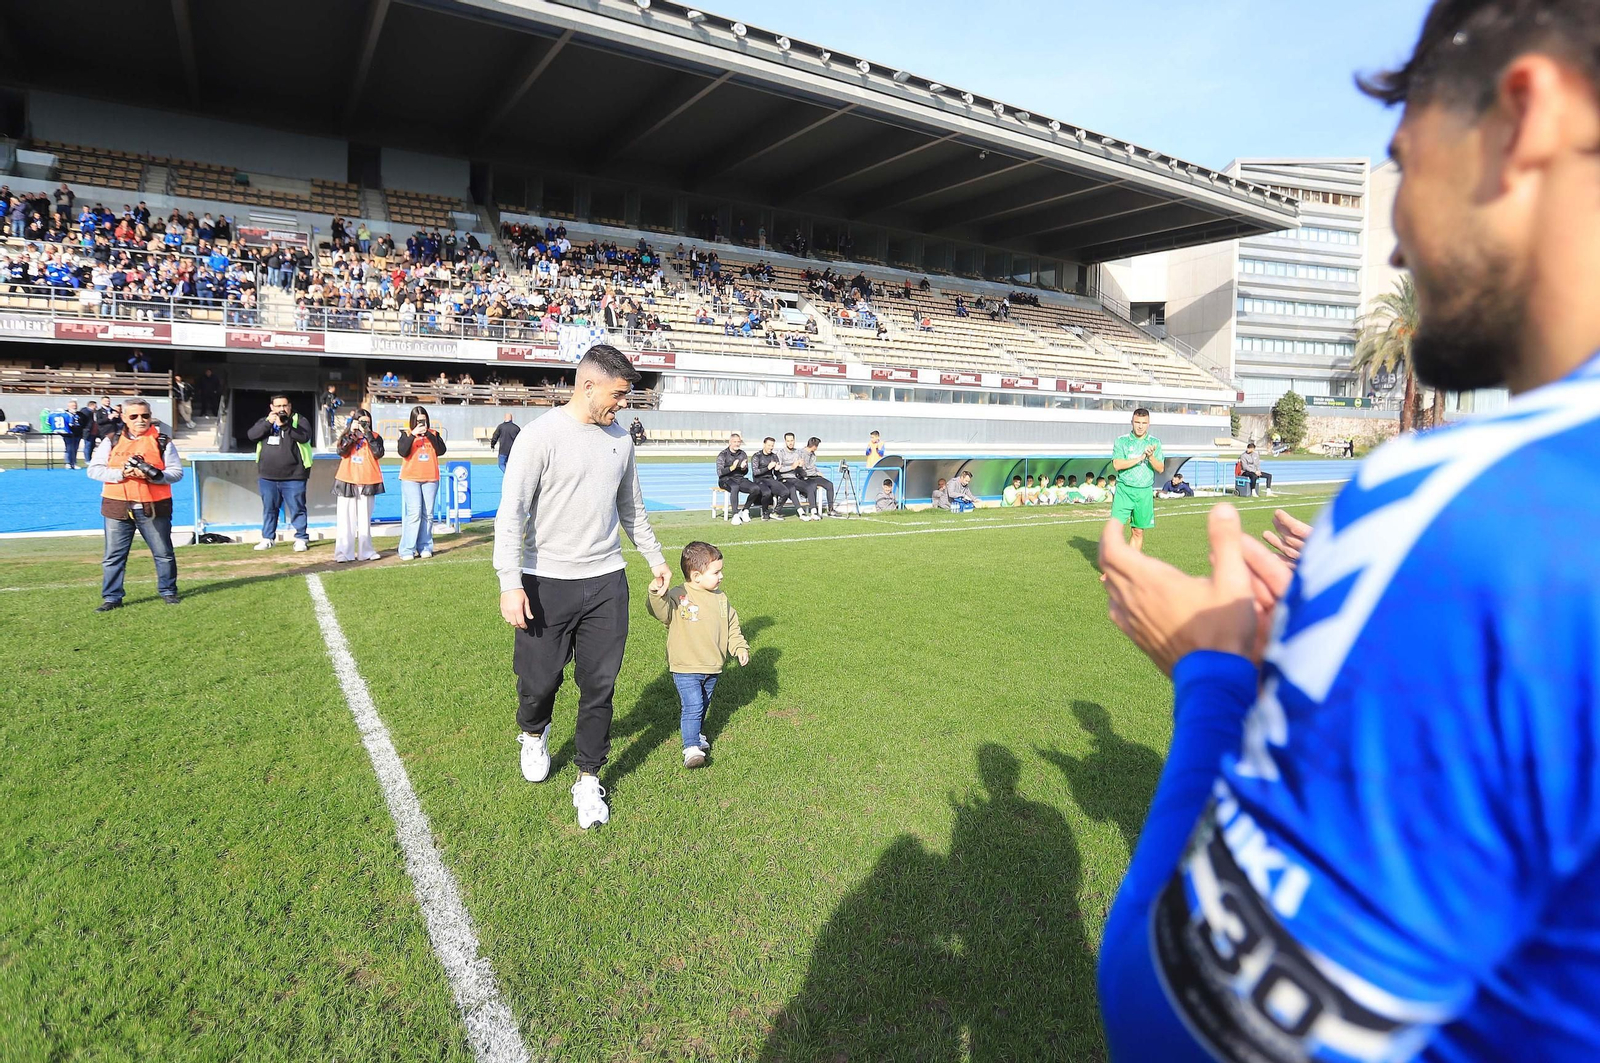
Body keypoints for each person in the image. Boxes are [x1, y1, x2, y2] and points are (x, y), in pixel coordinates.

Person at [1097, 5, 1600, 1059]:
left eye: (1403, 160)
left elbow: (1178, 1027)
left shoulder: (1470, 519)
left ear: (1521, 117)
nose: (1392, 235)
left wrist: (1215, 673)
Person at [495, 345, 671, 831]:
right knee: (538, 684)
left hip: (606, 583)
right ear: (588, 385)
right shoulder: (540, 437)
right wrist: (511, 584)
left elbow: (631, 509)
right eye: (617, 395)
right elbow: (511, 515)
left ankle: (589, 777)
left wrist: (654, 557)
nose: (622, 406)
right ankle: (534, 732)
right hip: (545, 581)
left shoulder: (621, 441)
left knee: (599, 687)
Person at [645, 541, 749, 769]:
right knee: (693, 705)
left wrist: (739, 647)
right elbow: (660, 612)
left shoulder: (721, 599)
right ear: (696, 575)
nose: (721, 576)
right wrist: (656, 593)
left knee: (703, 703)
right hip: (686, 665)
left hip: (713, 666)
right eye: (716, 572)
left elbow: (732, 625)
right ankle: (691, 747)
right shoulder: (679, 595)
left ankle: (697, 733)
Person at [86, 399, 183, 610]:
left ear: (150, 416)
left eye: (145, 416)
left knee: (163, 553)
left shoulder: (163, 441)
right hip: (117, 506)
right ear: (124, 418)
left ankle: (168, 591)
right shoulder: (111, 440)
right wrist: (122, 473)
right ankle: (112, 597)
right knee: (113, 556)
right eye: (134, 416)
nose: (140, 420)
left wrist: (155, 477)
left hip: (153, 505)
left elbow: (176, 473)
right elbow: (94, 470)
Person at [246, 395, 313, 551]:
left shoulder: (299, 420)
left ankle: (301, 538)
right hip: (268, 476)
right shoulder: (265, 421)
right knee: (269, 508)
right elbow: (252, 435)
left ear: (290, 406)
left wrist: (285, 426)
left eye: (285, 405)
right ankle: (268, 538)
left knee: (297, 507)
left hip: (294, 475)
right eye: (278, 406)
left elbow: (304, 437)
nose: (281, 409)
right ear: (272, 407)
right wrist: (268, 423)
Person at [332, 409, 384, 563]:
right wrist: (352, 435)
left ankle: (366, 551)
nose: (364, 424)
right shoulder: (348, 436)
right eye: (361, 421)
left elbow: (378, 453)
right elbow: (341, 452)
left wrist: (367, 433)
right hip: (347, 479)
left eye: (366, 422)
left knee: (364, 519)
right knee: (345, 519)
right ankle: (343, 552)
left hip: (367, 480)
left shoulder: (374, 437)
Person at [397, 406, 446, 560]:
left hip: (431, 478)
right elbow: (402, 451)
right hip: (411, 478)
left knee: (428, 514)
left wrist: (428, 435)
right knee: (414, 513)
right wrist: (413, 434)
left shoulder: (433, 434)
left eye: (423, 420)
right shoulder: (406, 434)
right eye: (418, 421)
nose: (421, 423)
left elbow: (441, 450)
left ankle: (425, 546)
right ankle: (407, 549)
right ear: (413, 421)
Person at [1110, 407, 1162, 553]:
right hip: (1124, 490)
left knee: (1138, 532)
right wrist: (1140, 458)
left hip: (1144, 492)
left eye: (1144, 423)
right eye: (1137, 422)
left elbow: (1160, 468)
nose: (1140, 426)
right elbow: (1117, 464)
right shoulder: (1122, 441)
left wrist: (1151, 457)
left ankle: (1129, 569)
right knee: (1114, 531)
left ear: (1148, 423)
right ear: (1131, 422)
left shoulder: (1155, 443)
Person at [716, 432, 767, 525]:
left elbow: (745, 472)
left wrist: (744, 468)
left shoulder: (742, 454)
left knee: (755, 489)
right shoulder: (723, 454)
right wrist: (732, 468)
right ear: (730, 442)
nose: (737, 444)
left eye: (738, 442)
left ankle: (745, 510)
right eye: (735, 442)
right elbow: (720, 473)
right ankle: (735, 515)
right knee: (734, 487)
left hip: (739, 478)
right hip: (725, 479)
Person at [752, 436, 797, 521]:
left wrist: (777, 469)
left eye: (772, 446)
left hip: (770, 479)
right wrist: (768, 468)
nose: (771, 448)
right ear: (764, 444)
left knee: (785, 492)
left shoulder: (774, 456)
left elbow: (776, 472)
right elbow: (755, 472)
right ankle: (765, 512)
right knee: (767, 493)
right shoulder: (757, 456)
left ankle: (775, 512)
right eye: (769, 445)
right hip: (759, 480)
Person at [777, 432, 818, 520]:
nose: (790, 443)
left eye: (792, 440)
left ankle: (814, 512)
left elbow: (800, 469)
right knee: (791, 489)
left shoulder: (798, 452)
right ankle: (801, 513)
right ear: (785, 442)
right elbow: (779, 469)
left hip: (794, 478)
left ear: (794, 440)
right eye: (788, 441)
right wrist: (792, 467)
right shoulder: (781, 453)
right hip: (784, 478)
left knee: (809, 487)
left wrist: (800, 466)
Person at [797, 436, 836, 516]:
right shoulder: (801, 453)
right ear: (814, 446)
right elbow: (803, 470)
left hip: (814, 475)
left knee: (829, 485)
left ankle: (831, 508)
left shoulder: (813, 455)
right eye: (817, 446)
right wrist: (816, 473)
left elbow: (813, 467)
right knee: (813, 486)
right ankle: (813, 509)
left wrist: (818, 472)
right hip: (805, 477)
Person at [60, 400, 83, 470]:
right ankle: (68, 463)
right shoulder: (65, 414)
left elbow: (83, 423)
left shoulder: (79, 414)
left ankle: (74, 463)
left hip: (77, 434)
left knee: (75, 449)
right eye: (73, 406)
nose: (74, 407)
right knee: (69, 448)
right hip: (68, 434)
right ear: (69, 406)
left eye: (75, 406)